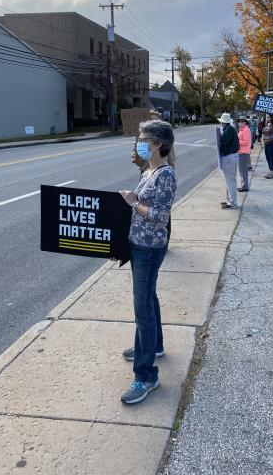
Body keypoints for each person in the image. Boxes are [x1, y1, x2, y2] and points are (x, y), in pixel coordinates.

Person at [119, 120, 176, 404]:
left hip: (149, 248)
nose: (139, 143)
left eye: (143, 139)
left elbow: (160, 216)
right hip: (137, 244)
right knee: (149, 299)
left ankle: (146, 375)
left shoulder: (165, 174)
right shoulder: (149, 170)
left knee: (142, 308)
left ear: (157, 144)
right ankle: (154, 347)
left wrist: (132, 202)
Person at [218, 112, 239, 209]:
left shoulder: (229, 130)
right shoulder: (229, 129)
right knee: (229, 180)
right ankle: (230, 200)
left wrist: (219, 136)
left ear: (223, 122)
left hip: (230, 157)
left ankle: (233, 202)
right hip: (231, 156)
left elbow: (225, 141)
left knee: (230, 181)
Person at [262, 113, 273, 179]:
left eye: (269, 117)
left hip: (272, 143)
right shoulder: (266, 125)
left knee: (271, 157)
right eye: (267, 117)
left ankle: (272, 171)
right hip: (266, 143)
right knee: (267, 157)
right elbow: (263, 132)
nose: (268, 118)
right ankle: (270, 170)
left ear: (272, 118)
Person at [237, 116, 251, 192]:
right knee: (241, 170)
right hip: (241, 152)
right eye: (239, 121)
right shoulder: (241, 130)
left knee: (243, 170)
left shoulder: (246, 130)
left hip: (244, 152)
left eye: (242, 121)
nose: (240, 123)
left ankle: (245, 186)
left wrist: (237, 141)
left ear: (245, 122)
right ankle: (243, 185)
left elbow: (246, 142)